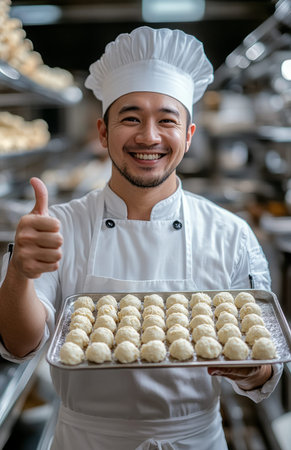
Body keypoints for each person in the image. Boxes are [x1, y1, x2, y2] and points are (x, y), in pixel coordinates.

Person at [0, 26, 282, 450]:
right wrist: (19, 272)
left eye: (167, 120)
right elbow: (20, 345)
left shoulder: (230, 233)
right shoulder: (59, 226)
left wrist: (255, 371)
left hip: (196, 440)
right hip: (86, 440)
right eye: (130, 118)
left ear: (187, 136)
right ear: (102, 132)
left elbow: (263, 363)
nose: (148, 136)